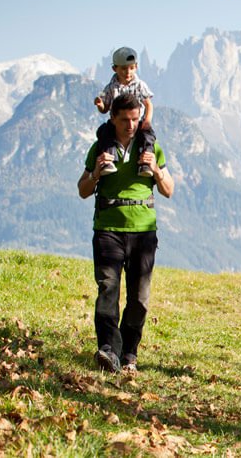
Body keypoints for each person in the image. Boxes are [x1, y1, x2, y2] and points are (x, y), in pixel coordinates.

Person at [77, 93, 175, 373]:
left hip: (144, 230)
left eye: (135, 119)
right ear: (113, 119)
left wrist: (155, 170)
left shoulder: (151, 147)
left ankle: (129, 352)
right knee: (108, 288)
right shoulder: (100, 147)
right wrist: (96, 172)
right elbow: (83, 190)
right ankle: (109, 350)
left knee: (139, 297)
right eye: (125, 120)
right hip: (108, 227)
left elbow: (169, 189)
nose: (131, 125)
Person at [93, 46, 157, 177]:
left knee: (147, 136)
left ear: (136, 67)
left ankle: (145, 163)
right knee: (104, 133)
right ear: (114, 68)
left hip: (138, 121)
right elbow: (105, 109)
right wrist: (100, 105)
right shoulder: (110, 87)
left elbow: (148, 104)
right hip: (116, 122)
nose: (128, 72)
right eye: (123, 69)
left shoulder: (140, 85)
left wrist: (147, 120)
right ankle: (109, 160)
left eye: (131, 68)